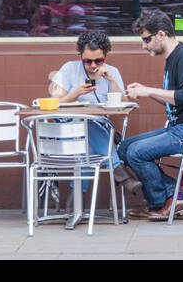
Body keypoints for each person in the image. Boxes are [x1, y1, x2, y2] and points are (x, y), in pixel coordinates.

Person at [119, 9, 183, 221]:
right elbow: (177, 98)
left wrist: (149, 91)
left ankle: (168, 200)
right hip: (181, 129)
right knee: (125, 148)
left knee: (137, 152)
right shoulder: (173, 58)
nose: (144, 45)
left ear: (161, 34)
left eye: (147, 39)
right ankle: (171, 199)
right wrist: (147, 90)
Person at [47, 29, 128, 190]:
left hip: (96, 135)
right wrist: (75, 93)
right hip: (67, 134)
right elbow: (53, 104)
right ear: (80, 57)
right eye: (87, 61)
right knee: (87, 124)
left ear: (106, 56)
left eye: (98, 61)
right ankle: (118, 170)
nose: (92, 66)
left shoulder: (112, 72)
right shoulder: (69, 69)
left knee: (87, 141)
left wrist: (111, 81)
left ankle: (75, 200)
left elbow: (124, 105)